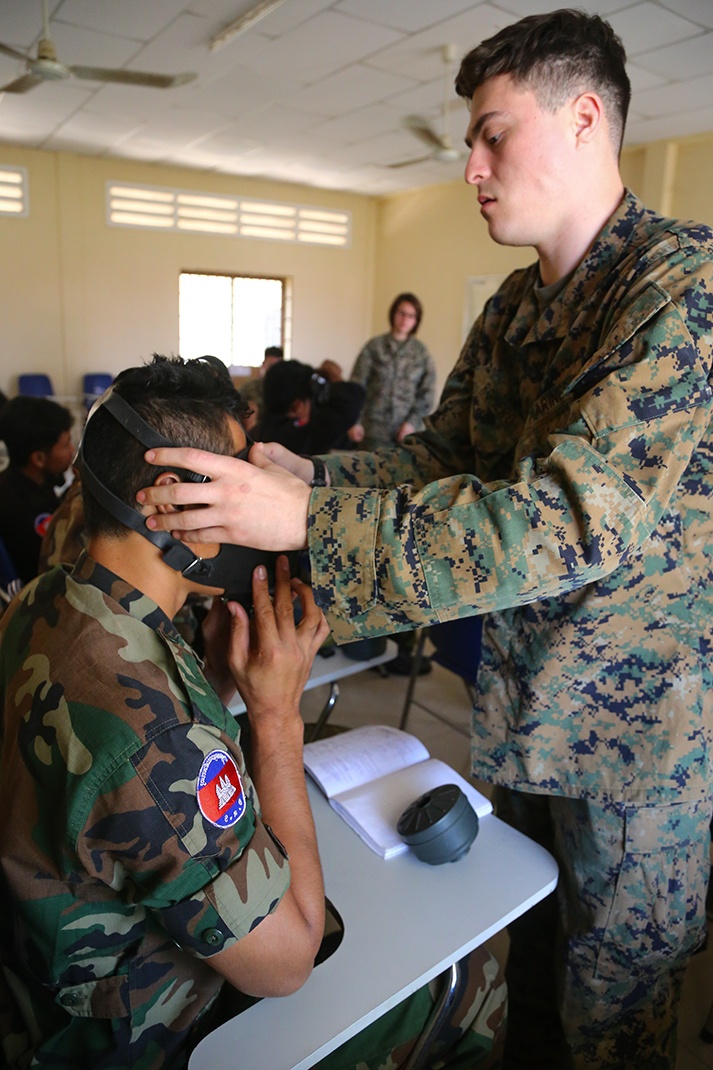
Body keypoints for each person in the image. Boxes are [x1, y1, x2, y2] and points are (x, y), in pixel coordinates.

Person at [135, 10, 713, 1069]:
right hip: (529, 703)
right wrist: (307, 475)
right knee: (526, 958)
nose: (470, 167)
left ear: (583, 118)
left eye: (493, 135)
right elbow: (444, 462)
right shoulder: (512, 310)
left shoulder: (676, 294)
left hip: (636, 742)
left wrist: (308, 519)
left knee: (610, 1008)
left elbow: (565, 519)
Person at [0, 355, 505, 1070]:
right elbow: (286, 963)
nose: (261, 497)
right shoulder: (157, 744)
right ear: (170, 498)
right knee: (473, 975)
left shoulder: (50, 596)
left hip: (47, 963)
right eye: (239, 476)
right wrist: (275, 715)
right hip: (141, 1025)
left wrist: (222, 679)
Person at [0, 395, 74, 584]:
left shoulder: (27, 483)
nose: (72, 451)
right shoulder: (26, 510)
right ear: (39, 459)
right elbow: (62, 564)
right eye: (66, 444)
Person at [350, 292, 436, 450]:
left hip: (406, 434)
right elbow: (356, 385)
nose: (405, 320)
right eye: (401, 313)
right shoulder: (375, 347)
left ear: (416, 321)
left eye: (411, 316)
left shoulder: (421, 353)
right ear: (393, 313)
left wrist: (412, 423)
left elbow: (427, 394)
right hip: (373, 432)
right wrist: (354, 422)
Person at [253, 358, 365, 454]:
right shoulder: (299, 436)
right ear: (298, 406)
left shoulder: (261, 432)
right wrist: (335, 376)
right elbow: (351, 400)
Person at [240, 344, 284, 428]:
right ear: (264, 364)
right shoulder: (250, 388)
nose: (274, 371)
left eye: (277, 367)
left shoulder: (287, 388)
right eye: (271, 366)